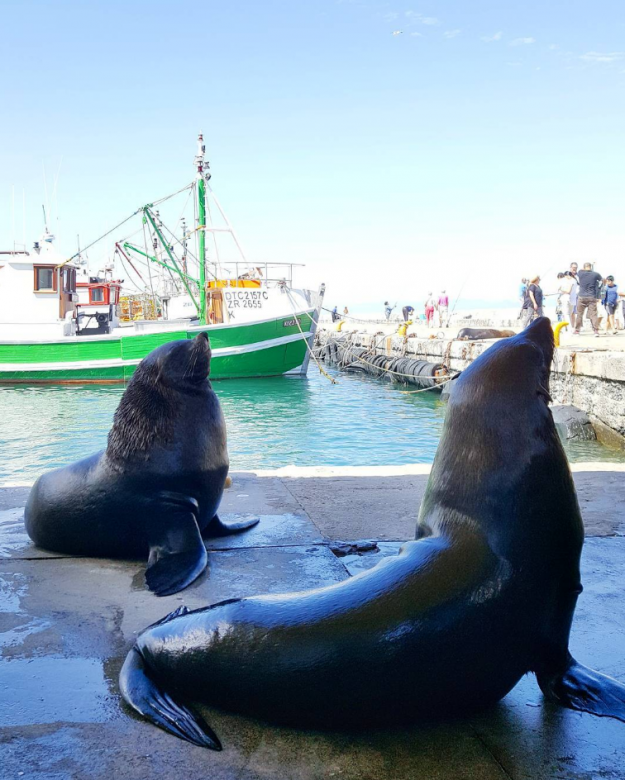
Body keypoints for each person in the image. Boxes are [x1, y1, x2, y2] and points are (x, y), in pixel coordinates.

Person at [574, 262, 603, 337]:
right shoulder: (596, 274)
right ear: (591, 267)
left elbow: (577, 272)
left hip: (581, 296)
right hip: (592, 296)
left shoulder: (580, 273)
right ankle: (596, 331)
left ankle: (577, 330)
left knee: (579, 314)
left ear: (584, 267)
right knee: (593, 314)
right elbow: (602, 281)